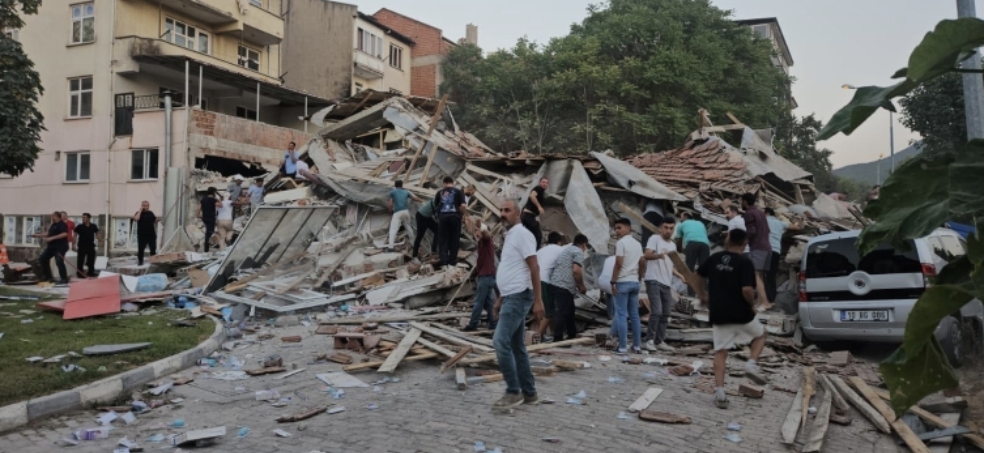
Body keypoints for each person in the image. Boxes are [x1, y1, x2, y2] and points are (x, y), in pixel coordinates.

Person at [697, 229, 768, 409]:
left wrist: (702, 295)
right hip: (741, 313)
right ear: (745, 243)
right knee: (760, 336)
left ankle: (720, 394)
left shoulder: (714, 258)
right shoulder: (745, 262)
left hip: (719, 313)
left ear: (727, 240)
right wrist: (752, 304)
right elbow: (747, 289)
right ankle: (751, 364)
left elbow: (697, 275)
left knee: (721, 352)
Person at [491, 196, 544, 409]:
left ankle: (513, 391)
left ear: (518, 213)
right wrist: (500, 298)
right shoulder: (511, 236)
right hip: (511, 295)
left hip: (519, 296)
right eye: (501, 210)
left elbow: (534, 267)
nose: (503, 214)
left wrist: (538, 300)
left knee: (499, 341)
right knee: (517, 346)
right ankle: (529, 393)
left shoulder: (522, 234)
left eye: (507, 210)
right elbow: (513, 270)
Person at [611, 218, 645, 354]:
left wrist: (613, 281)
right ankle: (637, 346)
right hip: (634, 282)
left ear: (628, 228)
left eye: (619, 228)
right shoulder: (637, 244)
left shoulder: (621, 243)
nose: (617, 231)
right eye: (615, 228)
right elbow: (642, 262)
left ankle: (623, 347)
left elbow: (618, 263)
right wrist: (639, 278)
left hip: (623, 281)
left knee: (621, 314)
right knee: (634, 315)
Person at [644, 217, 678, 352]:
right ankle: (649, 340)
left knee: (666, 313)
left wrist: (680, 275)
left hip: (666, 282)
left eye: (671, 228)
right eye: (666, 227)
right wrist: (659, 255)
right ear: (661, 228)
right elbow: (647, 255)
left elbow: (670, 265)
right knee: (657, 311)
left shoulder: (673, 245)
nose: (668, 231)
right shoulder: (654, 239)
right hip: (653, 280)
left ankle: (659, 341)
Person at [549, 234, 589, 342]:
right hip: (563, 284)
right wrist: (582, 286)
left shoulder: (567, 250)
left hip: (556, 282)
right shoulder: (578, 251)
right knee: (562, 312)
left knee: (570, 310)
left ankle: (572, 333)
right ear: (583, 244)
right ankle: (557, 338)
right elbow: (576, 271)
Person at [464, 218, 498, 332]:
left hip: (486, 277)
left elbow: (486, 234)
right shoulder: (481, 244)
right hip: (488, 276)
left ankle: (473, 324)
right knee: (488, 302)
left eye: (478, 231)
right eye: (476, 231)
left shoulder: (487, 241)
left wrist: (481, 227)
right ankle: (493, 323)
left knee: (478, 302)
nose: (476, 233)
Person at [741, 193, 772, 310]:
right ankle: (760, 302)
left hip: (758, 247)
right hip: (767, 247)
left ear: (745, 201)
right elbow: (768, 230)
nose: (740, 203)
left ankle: (765, 302)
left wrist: (744, 242)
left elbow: (751, 231)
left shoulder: (749, 213)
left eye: (741, 201)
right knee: (759, 275)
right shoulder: (761, 213)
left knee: (755, 275)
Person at [536, 232, 567, 342]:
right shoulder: (560, 250)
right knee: (549, 312)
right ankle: (537, 337)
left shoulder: (541, 250)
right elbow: (563, 267)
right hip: (544, 280)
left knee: (541, 310)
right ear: (559, 241)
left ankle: (548, 334)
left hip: (532, 280)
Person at [433, 177, 469, 268]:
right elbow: (463, 205)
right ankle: (452, 261)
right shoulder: (458, 191)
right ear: (453, 183)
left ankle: (444, 261)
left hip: (443, 217)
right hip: (455, 217)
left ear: (444, 183)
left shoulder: (439, 192)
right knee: (454, 238)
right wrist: (462, 214)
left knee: (443, 239)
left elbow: (435, 205)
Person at [675, 212, 711, 293]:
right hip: (705, 246)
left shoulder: (681, 225)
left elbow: (678, 241)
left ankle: (691, 294)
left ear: (685, 216)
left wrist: (679, 249)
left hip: (692, 244)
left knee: (689, 269)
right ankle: (705, 293)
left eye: (681, 217)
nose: (680, 219)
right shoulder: (700, 223)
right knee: (704, 270)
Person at [34, 212, 70, 284]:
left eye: (52, 216)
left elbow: (64, 234)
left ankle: (64, 278)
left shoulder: (62, 224)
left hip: (60, 247)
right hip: (51, 247)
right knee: (43, 259)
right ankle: (48, 277)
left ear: (57, 216)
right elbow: (49, 233)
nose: (51, 217)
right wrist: (38, 235)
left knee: (59, 261)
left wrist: (52, 238)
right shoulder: (53, 224)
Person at [765, 208, 790, 305]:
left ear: (767, 213)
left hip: (766, 250)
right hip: (776, 251)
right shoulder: (780, 223)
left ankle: (762, 298)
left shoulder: (764, 220)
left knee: (761, 274)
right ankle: (771, 299)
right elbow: (795, 227)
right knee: (771, 275)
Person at [387, 180, 421, 253]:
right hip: (406, 211)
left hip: (397, 212)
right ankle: (413, 244)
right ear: (402, 185)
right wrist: (422, 201)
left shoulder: (392, 192)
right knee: (408, 227)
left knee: (393, 229)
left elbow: (390, 204)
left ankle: (390, 247)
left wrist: (390, 212)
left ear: (395, 185)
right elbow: (415, 198)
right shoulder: (406, 192)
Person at [521, 177, 548, 249]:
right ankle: (536, 252)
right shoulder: (538, 188)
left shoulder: (541, 192)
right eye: (543, 182)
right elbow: (532, 196)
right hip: (528, 216)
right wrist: (539, 207)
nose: (545, 184)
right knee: (538, 235)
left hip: (527, 216)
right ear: (539, 183)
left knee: (529, 235)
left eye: (546, 183)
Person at [72, 213, 99, 278]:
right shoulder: (79, 226)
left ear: (89, 218)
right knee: (80, 260)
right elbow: (75, 235)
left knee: (91, 259)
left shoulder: (93, 226)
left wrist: (101, 241)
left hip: (90, 245)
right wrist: (73, 244)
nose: (83, 219)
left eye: (84, 217)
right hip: (82, 245)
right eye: (82, 217)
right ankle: (80, 274)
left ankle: (91, 272)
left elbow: (97, 233)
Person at [133, 201, 158, 265]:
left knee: (153, 249)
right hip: (142, 235)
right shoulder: (138, 213)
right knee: (141, 249)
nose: (147, 207)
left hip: (151, 234)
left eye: (148, 205)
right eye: (145, 205)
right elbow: (136, 218)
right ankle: (140, 261)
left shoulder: (151, 213)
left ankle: (153, 261)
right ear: (142, 206)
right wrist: (140, 210)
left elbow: (155, 220)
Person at [197, 187, 220, 253]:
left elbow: (199, 208)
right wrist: (219, 199)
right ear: (213, 192)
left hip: (205, 218)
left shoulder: (203, 199)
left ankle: (207, 247)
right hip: (211, 218)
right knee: (209, 233)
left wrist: (197, 215)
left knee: (208, 232)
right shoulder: (213, 200)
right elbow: (220, 205)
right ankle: (207, 248)